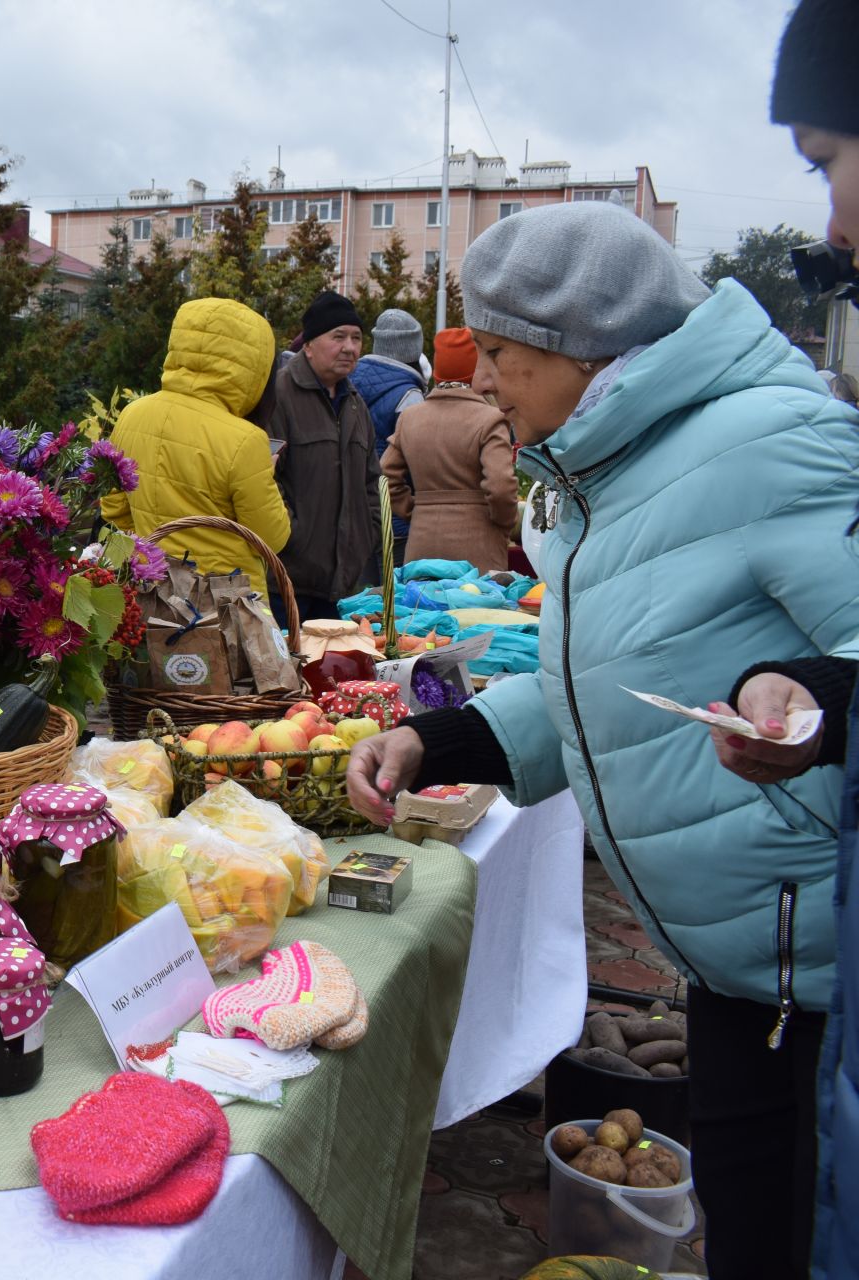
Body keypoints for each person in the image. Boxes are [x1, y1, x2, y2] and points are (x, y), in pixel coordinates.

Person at [344, 199, 859, 1280]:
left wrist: (812, 705)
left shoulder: (775, 439)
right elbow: (600, 684)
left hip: (814, 975)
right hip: (737, 967)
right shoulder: (602, 470)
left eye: (499, 352)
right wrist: (433, 743)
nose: (482, 380)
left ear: (587, 350)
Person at [711, 5, 859, 1274]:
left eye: (827, 160)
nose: (833, 224)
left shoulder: (778, 444)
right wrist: (814, 696)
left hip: (780, 947)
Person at [101, 298, 290, 598]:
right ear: (253, 368)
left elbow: (113, 507)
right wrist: (266, 472)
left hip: (153, 593)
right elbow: (271, 538)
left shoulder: (132, 414)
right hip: (225, 606)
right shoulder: (245, 439)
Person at [265, 290, 380, 621]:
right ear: (310, 345)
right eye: (338, 336)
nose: (350, 347)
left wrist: (366, 534)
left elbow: (372, 480)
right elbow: (263, 478)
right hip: (287, 581)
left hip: (342, 585)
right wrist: (292, 535)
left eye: (357, 338)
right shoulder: (279, 395)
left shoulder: (356, 404)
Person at [378, 327, 518, 570]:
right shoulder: (491, 419)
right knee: (475, 606)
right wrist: (502, 523)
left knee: (421, 607)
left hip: (422, 543)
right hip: (478, 545)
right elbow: (500, 486)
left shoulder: (410, 418)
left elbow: (386, 475)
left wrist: (416, 510)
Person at [347, 307, 427, 456]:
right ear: (415, 349)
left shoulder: (348, 375)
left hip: (349, 474)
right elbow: (414, 455)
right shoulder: (410, 395)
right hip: (384, 478)